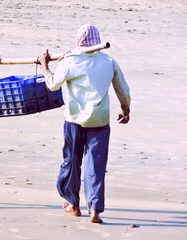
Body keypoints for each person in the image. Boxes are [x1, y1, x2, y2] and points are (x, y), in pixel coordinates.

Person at [39, 24, 131, 223]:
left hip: (74, 120)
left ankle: (72, 204)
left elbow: (52, 84)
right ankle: (95, 210)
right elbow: (122, 88)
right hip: (99, 120)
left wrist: (45, 65)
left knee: (71, 162)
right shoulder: (108, 61)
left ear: (78, 41)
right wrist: (125, 108)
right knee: (95, 166)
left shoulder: (70, 61)